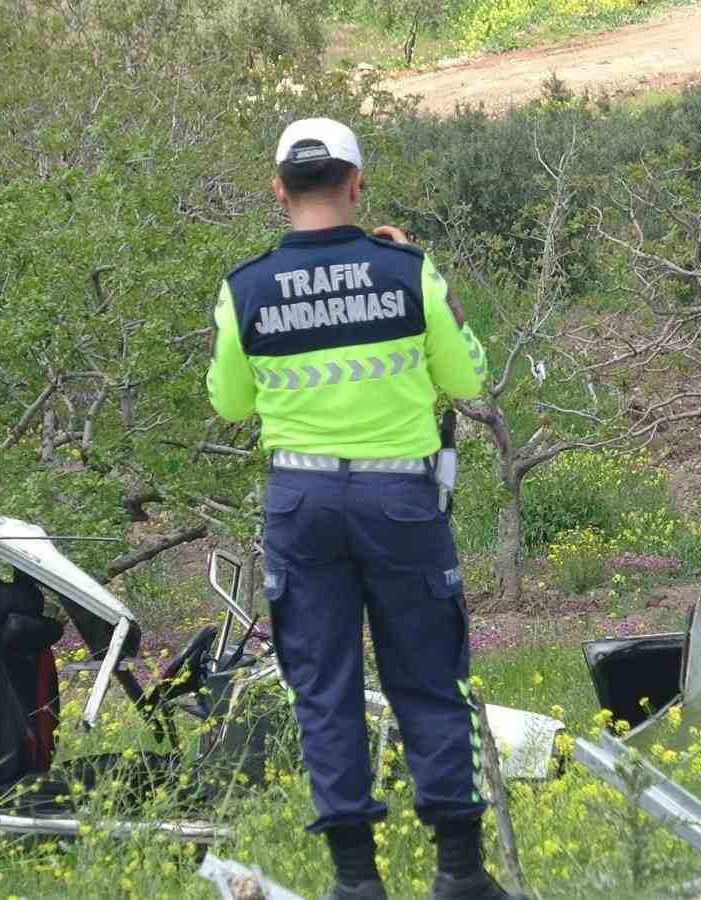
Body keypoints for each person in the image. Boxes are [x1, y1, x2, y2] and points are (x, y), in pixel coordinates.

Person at [205, 118, 518, 900]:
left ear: (279, 190)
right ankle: (459, 874)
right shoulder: (407, 271)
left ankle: (355, 882)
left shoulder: (243, 287)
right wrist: (413, 270)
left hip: (301, 499)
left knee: (324, 686)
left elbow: (228, 402)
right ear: (356, 185)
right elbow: (469, 376)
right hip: (399, 498)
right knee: (428, 678)